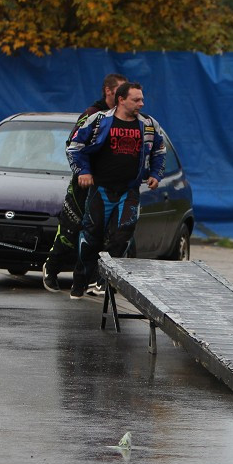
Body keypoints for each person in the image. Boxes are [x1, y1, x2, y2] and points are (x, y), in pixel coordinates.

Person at [64, 81, 166, 299]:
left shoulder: (149, 124)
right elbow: (74, 147)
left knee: (121, 237)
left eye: (142, 99)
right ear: (121, 100)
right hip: (100, 189)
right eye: (136, 99)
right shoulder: (99, 120)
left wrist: (156, 175)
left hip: (129, 191)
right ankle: (80, 280)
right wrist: (83, 171)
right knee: (91, 237)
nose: (142, 103)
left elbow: (159, 150)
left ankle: (104, 281)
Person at [42, 72, 127, 293]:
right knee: (70, 231)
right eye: (121, 90)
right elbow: (73, 145)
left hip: (109, 187)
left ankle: (97, 279)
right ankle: (51, 267)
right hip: (84, 185)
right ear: (109, 91)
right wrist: (84, 171)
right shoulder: (92, 115)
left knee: (106, 234)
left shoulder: (125, 117)